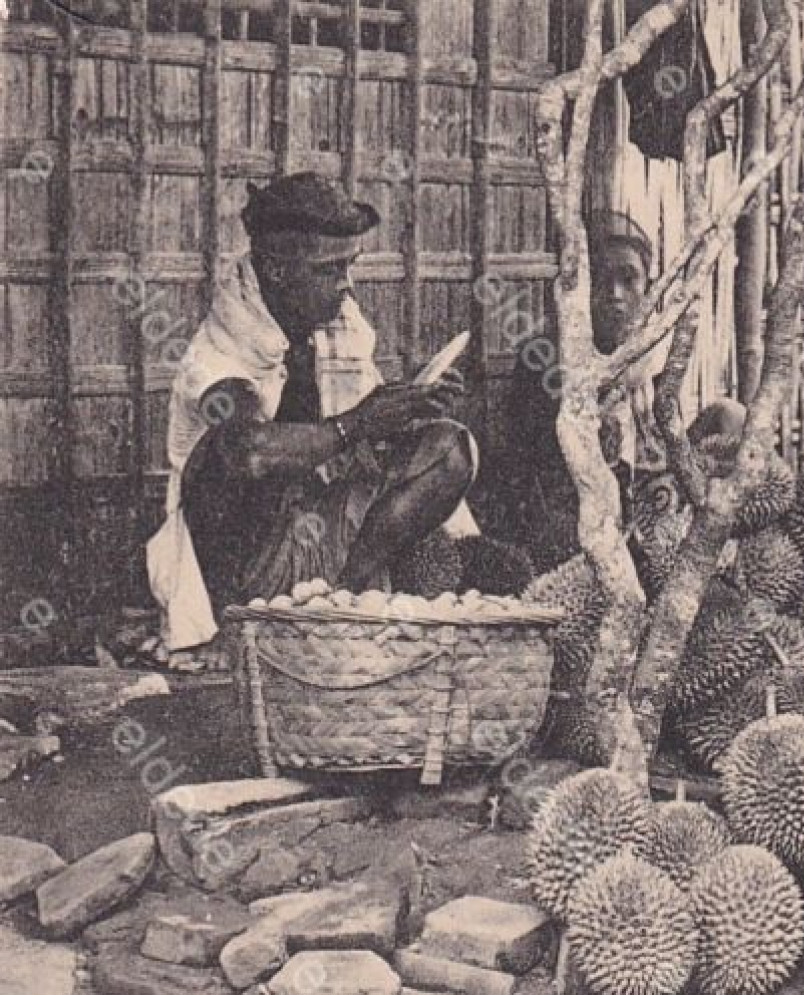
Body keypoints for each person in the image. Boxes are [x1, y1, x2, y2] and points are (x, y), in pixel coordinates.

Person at [145, 172, 478, 654]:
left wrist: (409, 405)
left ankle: (346, 601)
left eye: (350, 266)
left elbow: (363, 411)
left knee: (450, 446)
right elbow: (251, 454)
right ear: (277, 270)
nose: (346, 285)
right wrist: (360, 422)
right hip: (243, 565)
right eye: (329, 270)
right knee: (232, 449)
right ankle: (248, 625)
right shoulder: (215, 357)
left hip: (324, 534)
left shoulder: (339, 326)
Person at [481, 211, 743, 570]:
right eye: (601, 283)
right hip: (584, 502)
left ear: (647, 290)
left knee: (731, 417)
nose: (615, 295)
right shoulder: (544, 355)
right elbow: (542, 462)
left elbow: (666, 438)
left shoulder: (654, 351)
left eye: (628, 280)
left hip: (659, 486)